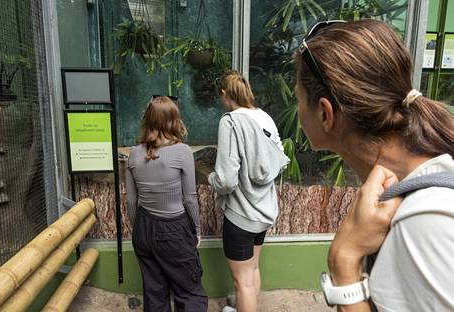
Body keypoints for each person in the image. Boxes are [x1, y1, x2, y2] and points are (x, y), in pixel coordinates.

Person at [294, 19, 454, 311]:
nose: (297, 111)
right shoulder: (421, 186)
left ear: (324, 113)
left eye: (299, 100)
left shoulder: (426, 222)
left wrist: (344, 263)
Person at [208, 71, 290, 312]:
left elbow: (226, 180)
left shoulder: (230, 121)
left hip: (241, 216)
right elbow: (277, 160)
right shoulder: (264, 117)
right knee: (252, 270)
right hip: (264, 212)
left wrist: (210, 177)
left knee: (241, 281)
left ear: (224, 94)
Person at [126, 95, 208, 312]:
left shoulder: (133, 154)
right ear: (174, 120)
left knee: (155, 294)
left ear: (148, 119)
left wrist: (140, 229)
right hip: (174, 228)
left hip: (144, 228)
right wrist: (196, 230)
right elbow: (189, 197)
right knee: (189, 292)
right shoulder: (182, 151)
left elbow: (131, 201)